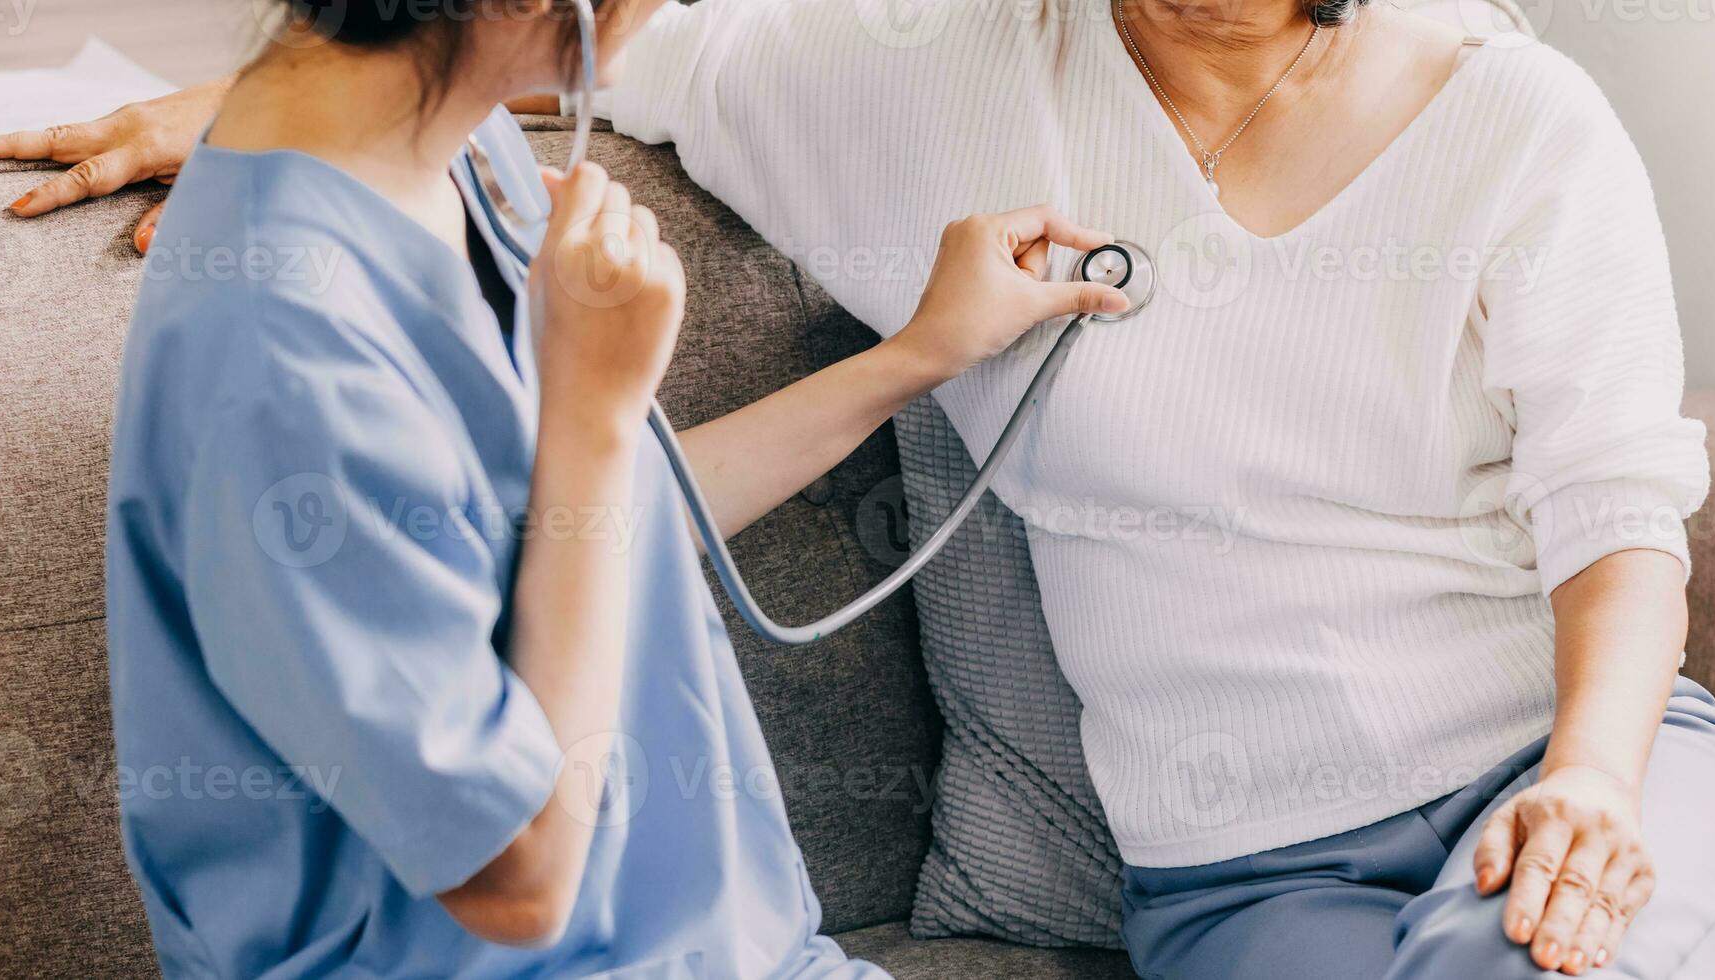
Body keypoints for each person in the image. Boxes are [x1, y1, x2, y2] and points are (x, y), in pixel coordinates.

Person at [0, 0, 1715, 975]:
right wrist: (262, 103)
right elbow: (593, 43)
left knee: (1546, 956)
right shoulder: (933, 71)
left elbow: (1615, 503)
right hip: (1232, 880)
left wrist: (1588, 777)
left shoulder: (1516, 116)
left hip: (1554, 758)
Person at [70, 0, 1132, 975]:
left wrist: (918, 354)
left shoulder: (455, 146)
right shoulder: (282, 354)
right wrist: (590, 402)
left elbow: (584, 536)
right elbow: (513, 876)